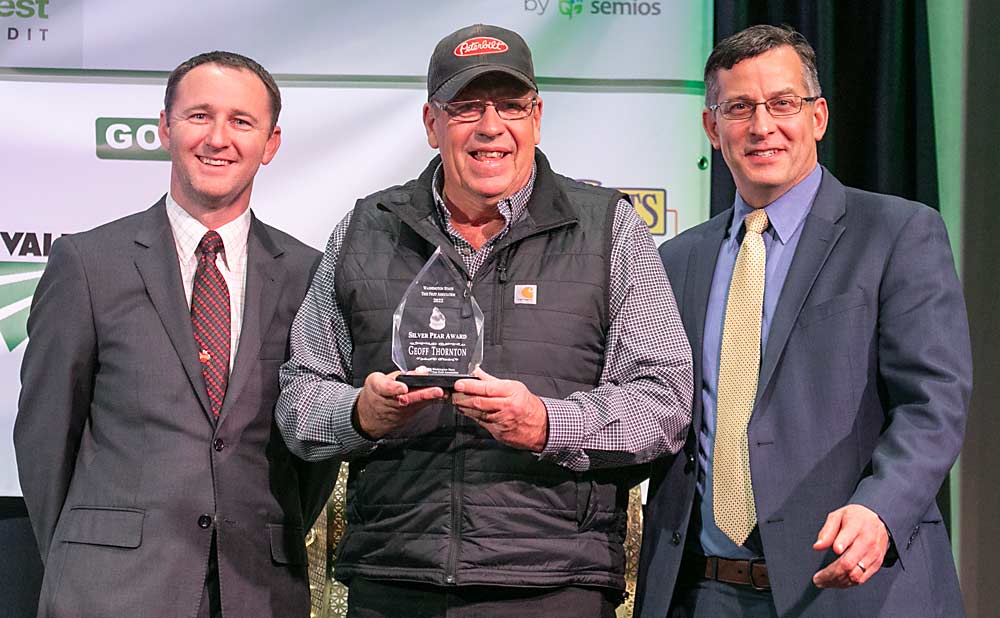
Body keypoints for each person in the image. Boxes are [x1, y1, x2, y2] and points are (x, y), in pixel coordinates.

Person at [276, 23, 693, 618]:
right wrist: (357, 415)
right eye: (466, 107)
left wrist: (547, 424)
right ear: (430, 123)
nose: (490, 126)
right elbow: (298, 400)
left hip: (552, 585)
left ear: (537, 117)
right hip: (395, 579)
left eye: (511, 106)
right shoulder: (366, 229)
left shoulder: (610, 230)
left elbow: (664, 403)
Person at [634, 24, 972, 618]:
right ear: (713, 129)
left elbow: (934, 403)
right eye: (739, 107)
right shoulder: (677, 259)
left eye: (782, 103)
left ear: (817, 117)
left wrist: (880, 508)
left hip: (854, 589)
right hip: (703, 594)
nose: (762, 126)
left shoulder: (897, 234)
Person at [14, 51, 339, 618]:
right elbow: (45, 439)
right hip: (107, 592)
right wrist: (85, 553)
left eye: (242, 121)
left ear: (272, 143)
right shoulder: (87, 263)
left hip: (256, 590)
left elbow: (314, 453)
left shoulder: (309, 275)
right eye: (198, 116)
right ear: (164, 128)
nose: (218, 138)